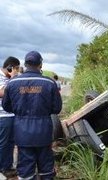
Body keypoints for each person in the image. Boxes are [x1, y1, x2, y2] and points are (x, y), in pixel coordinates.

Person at [2, 51, 62, 179]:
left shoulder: (12, 83)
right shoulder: (50, 83)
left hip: (22, 133)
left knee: (25, 170)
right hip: (44, 132)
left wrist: (20, 111)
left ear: (25, 64)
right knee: (46, 169)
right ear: (40, 64)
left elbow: (6, 106)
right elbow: (57, 108)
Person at [0, 56, 20, 177]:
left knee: (10, 143)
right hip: (3, 116)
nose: (17, 71)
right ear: (10, 68)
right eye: (16, 69)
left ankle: (7, 165)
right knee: (3, 142)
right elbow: (2, 92)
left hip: (11, 115)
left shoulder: (8, 78)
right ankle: (3, 167)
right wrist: (13, 79)